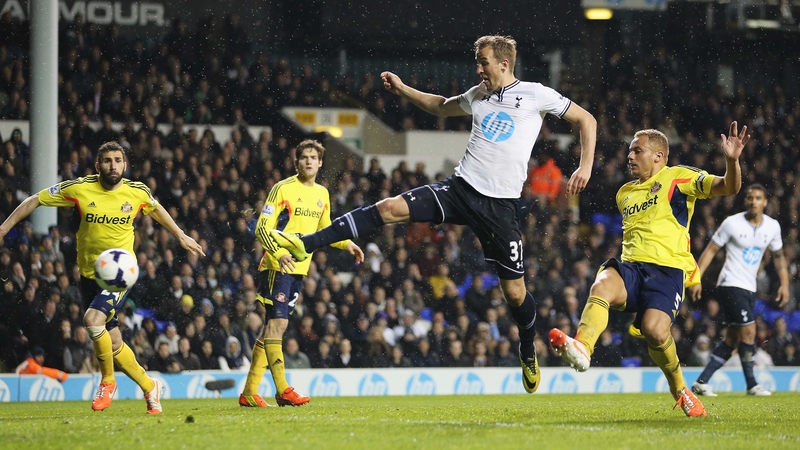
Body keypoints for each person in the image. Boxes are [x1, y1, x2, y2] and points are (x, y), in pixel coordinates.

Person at [268, 35, 596, 394]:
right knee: (388, 207)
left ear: (503, 64)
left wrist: (585, 166)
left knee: (515, 294)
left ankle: (527, 346)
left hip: (500, 207)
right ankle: (306, 243)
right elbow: (441, 106)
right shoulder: (478, 94)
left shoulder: (535, 94)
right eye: (477, 61)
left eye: (483, 62)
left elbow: (586, 119)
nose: (478, 68)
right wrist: (403, 89)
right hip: (460, 190)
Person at [549, 122, 749, 417]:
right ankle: (582, 347)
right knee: (602, 284)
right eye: (630, 151)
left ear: (658, 156)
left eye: (637, 151)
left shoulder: (678, 177)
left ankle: (680, 390)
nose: (629, 156)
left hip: (667, 272)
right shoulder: (624, 193)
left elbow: (729, 187)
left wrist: (732, 162)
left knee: (656, 331)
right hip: (632, 267)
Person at [0, 141, 205, 414]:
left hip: (120, 272)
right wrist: (3, 229)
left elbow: (155, 208)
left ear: (125, 164)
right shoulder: (80, 188)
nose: (113, 166)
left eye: (118, 160)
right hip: (89, 274)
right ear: (98, 166)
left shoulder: (136, 192)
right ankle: (149, 385)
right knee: (113, 341)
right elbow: (35, 199)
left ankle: (107, 381)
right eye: (107, 161)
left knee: (92, 321)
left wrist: (180, 234)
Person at [238, 139, 364, 408]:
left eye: (313, 157)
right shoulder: (282, 188)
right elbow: (262, 228)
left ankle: (249, 392)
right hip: (278, 266)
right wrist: (278, 253)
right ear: (296, 162)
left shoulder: (322, 194)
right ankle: (283, 389)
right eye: (304, 157)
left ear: (320, 163)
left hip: (299, 269)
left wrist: (347, 243)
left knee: (271, 329)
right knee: (278, 325)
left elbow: (325, 230)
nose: (308, 161)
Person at [689, 183, 789, 397]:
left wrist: (785, 284)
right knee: (749, 331)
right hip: (730, 284)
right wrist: (696, 278)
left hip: (749, 288)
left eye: (758, 198)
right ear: (745, 201)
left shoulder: (772, 227)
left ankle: (702, 382)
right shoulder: (732, 223)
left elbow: (779, 257)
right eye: (749, 197)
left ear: (765, 202)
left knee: (733, 339)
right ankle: (752, 384)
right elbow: (710, 250)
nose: (753, 201)